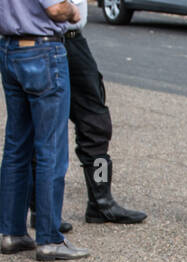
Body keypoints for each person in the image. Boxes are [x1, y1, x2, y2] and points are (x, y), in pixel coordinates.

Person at [26, 0, 146, 232]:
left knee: (95, 123)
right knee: (44, 127)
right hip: (47, 39)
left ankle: (101, 201)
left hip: (71, 41)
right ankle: (42, 209)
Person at [0, 0, 89, 261]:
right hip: (42, 49)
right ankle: (49, 238)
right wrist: (74, 11)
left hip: (8, 48)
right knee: (50, 147)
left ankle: (12, 232)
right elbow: (55, 8)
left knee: (16, 146)